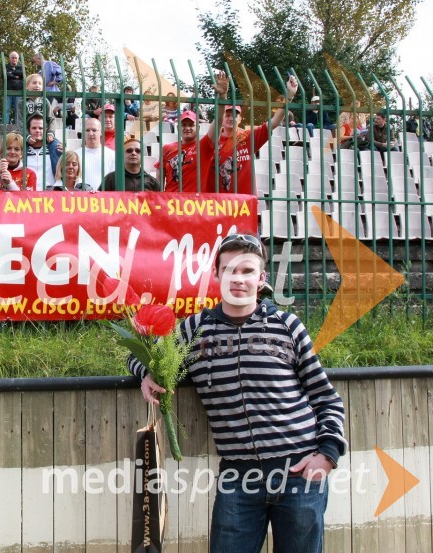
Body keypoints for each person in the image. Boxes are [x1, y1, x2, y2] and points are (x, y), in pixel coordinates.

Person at [127, 233, 347, 553]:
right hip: (239, 479)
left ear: (261, 279)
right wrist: (145, 373)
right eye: (229, 270)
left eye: (247, 271)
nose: (238, 279)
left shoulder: (288, 327)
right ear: (216, 275)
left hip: (299, 473)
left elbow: (326, 398)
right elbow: (141, 353)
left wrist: (327, 454)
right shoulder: (195, 330)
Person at [206, 72, 299, 194]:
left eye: (235, 115)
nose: (230, 118)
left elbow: (274, 122)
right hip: (218, 203)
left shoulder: (247, 136)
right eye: (227, 115)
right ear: (221, 118)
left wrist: (289, 96)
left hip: (244, 204)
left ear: (240, 119)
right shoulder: (213, 139)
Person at [157, 110, 212, 192]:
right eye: (183, 125)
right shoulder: (167, 148)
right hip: (171, 201)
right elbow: (160, 176)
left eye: (191, 125)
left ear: (198, 128)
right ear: (178, 128)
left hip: (194, 202)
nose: (187, 128)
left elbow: (218, 123)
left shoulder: (204, 146)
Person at [24, 112, 62, 190]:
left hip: (50, 196)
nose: (37, 131)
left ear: (46, 130)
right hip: (27, 197)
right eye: (34, 128)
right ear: (29, 130)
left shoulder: (56, 148)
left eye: (40, 128)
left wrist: (65, 155)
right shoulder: (21, 149)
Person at [76, 117, 115, 191]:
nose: (91, 133)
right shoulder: (75, 155)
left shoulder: (112, 155)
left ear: (101, 132)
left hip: (105, 199)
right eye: (87, 130)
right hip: (81, 198)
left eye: (94, 130)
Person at [3, 51, 24, 125]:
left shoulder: (21, 67)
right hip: (8, 91)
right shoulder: (6, 66)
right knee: (6, 109)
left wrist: (11, 73)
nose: (14, 59)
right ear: (9, 58)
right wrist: (16, 76)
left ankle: (17, 125)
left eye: (15, 58)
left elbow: (22, 75)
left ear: (18, 59)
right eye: (12, 58)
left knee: (18, 109)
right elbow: (5, 75)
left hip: (18, 91)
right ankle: (5, 125)